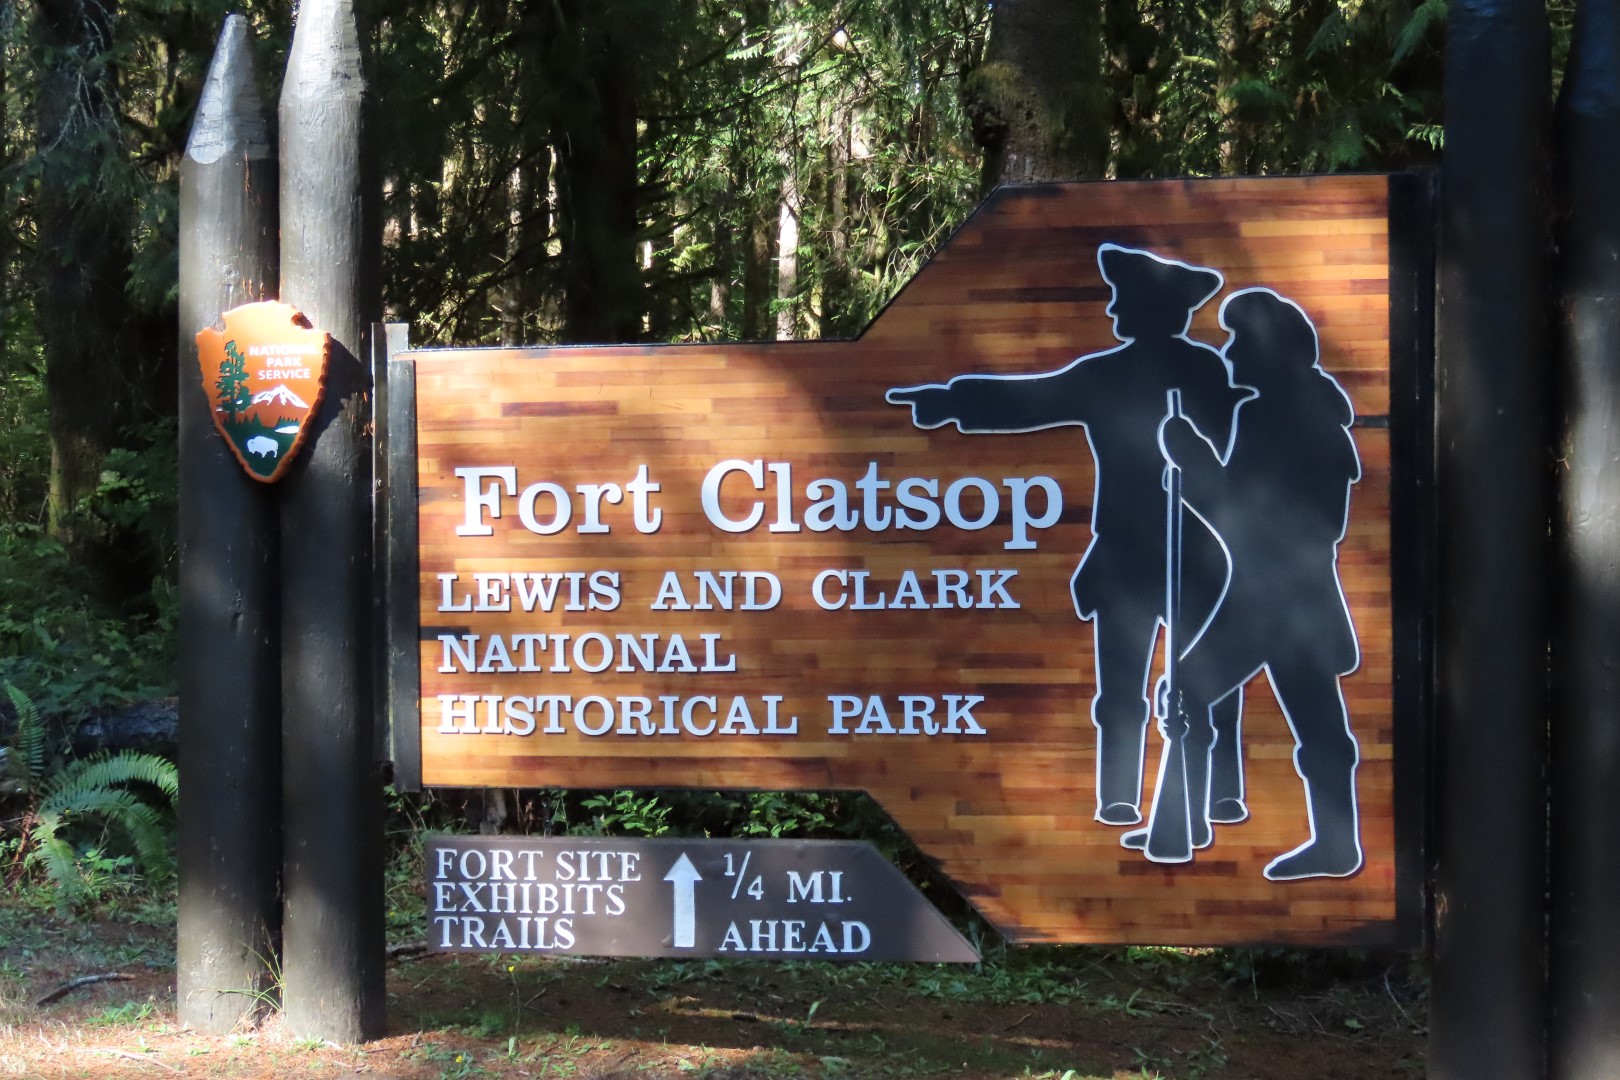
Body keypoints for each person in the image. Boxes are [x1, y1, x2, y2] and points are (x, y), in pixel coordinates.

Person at [887, 244, 1249, 826]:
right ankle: (1118, 796)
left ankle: (1221, 793)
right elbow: (1030, 399)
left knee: (1211, 680)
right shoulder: (1103, 374)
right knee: (1120, 689)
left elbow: (1237, 450)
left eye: (1124, 299)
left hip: (1197, 548)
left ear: (1156, 308)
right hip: (1125, 554)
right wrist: (951, 400)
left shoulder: (1205, 372)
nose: (1112, 309)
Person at [1145, 287, 1363, 880]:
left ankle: (1183, 830)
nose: (1230, 353)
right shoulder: (1312, 415)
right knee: (1318, 722)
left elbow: (1245, 521)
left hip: (1271, 600)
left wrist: (1191, 463)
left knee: (1185, 692)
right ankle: (1333, 844)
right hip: (1293, 598)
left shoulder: (1271, 417)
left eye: (1239, 341)